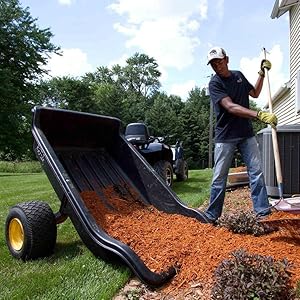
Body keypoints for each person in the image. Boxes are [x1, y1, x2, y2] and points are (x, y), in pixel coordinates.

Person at [203, 46, 277, 224]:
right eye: (213, 64)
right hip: (225, 136)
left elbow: (255, 93)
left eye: (219, 62)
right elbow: (230, 107)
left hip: (245, 133)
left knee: (256, 173)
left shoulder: (238, 76)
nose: (217, 66)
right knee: (219, 177)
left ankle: (262, 213)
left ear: (226, 59)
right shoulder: (215, 83)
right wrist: (259, 115)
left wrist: (261, 74)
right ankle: (212, 215)